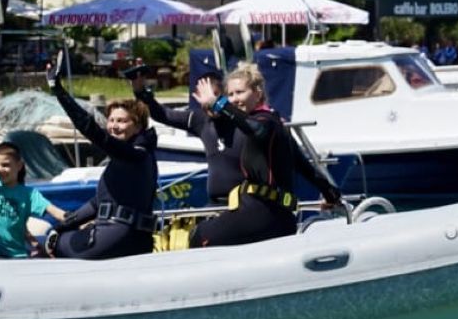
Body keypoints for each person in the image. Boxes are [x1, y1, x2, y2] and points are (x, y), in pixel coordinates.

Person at [189, 61, 341, 249]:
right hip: (271, 214)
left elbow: (256, 129)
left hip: (265, 212)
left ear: (258, 93)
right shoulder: (276, 124)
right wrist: (330, 194)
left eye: (240, 92)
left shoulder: (266, 122)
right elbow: (306, 168)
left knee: (199, 236)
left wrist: (218, 103)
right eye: (230, 94)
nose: (234, 99)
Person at [46, 51, 158, 259]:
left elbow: (91, 129)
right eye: (111, 120)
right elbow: (97, 204)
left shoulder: (135, 154)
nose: (114, 126)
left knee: (58, 245)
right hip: (129, 236)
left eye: (122, 121)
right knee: (57, 236)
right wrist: (61, 226)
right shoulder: (126, 158)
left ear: (138, 127)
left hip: (120, 235)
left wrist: (58, 90)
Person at [130, 62, 241, 202]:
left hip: (245, 202)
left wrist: (219, 105)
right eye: (204, 98)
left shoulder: (242, 121)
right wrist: (140, 92)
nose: (209, 103)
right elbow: (162, 114)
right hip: (216, 201)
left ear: (225, 96)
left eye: (214, 96)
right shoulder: (200, 120)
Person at [0, 122, 65, 259]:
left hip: (17, 258)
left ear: (19, 165)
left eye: (6, 165)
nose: (0, 169)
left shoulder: (29, 194)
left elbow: (56, 212)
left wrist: (81, 220)